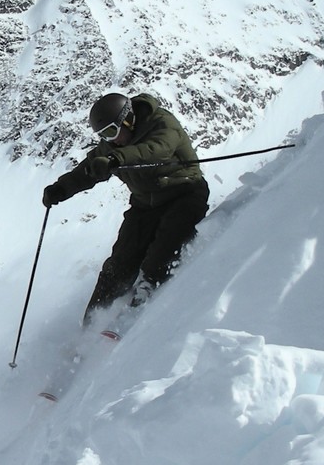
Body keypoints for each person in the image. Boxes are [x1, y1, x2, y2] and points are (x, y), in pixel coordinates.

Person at [42, 91, 209, 320]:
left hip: (185, 194)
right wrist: (61, 189)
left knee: (163, 250)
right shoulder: (112, 146)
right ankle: (92, 322)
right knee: (119, 265)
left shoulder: (161, 123)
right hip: (145, 206)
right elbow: (89, 169)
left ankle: (141, 307)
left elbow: (156, 149)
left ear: (127, 120)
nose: (111, 140)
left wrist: (117, 159)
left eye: (112, 132)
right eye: (103, 135)